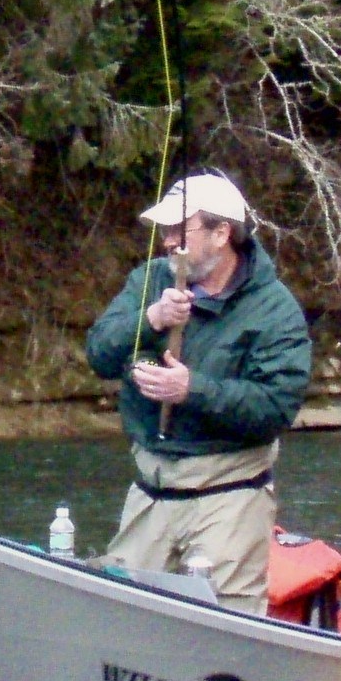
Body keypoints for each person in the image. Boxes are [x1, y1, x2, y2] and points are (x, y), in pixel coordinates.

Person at [81, 171, 315, 612]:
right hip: (150, 491)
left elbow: (276, 408)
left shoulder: (274, 309)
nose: (168, 241)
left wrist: (191, 390)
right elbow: (99, 354)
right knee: (122, 616)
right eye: (164, 231)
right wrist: (150, 320)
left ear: (222, 232)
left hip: (230, 497)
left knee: (227, 625)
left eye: (179, 230)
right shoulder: (148, 281)